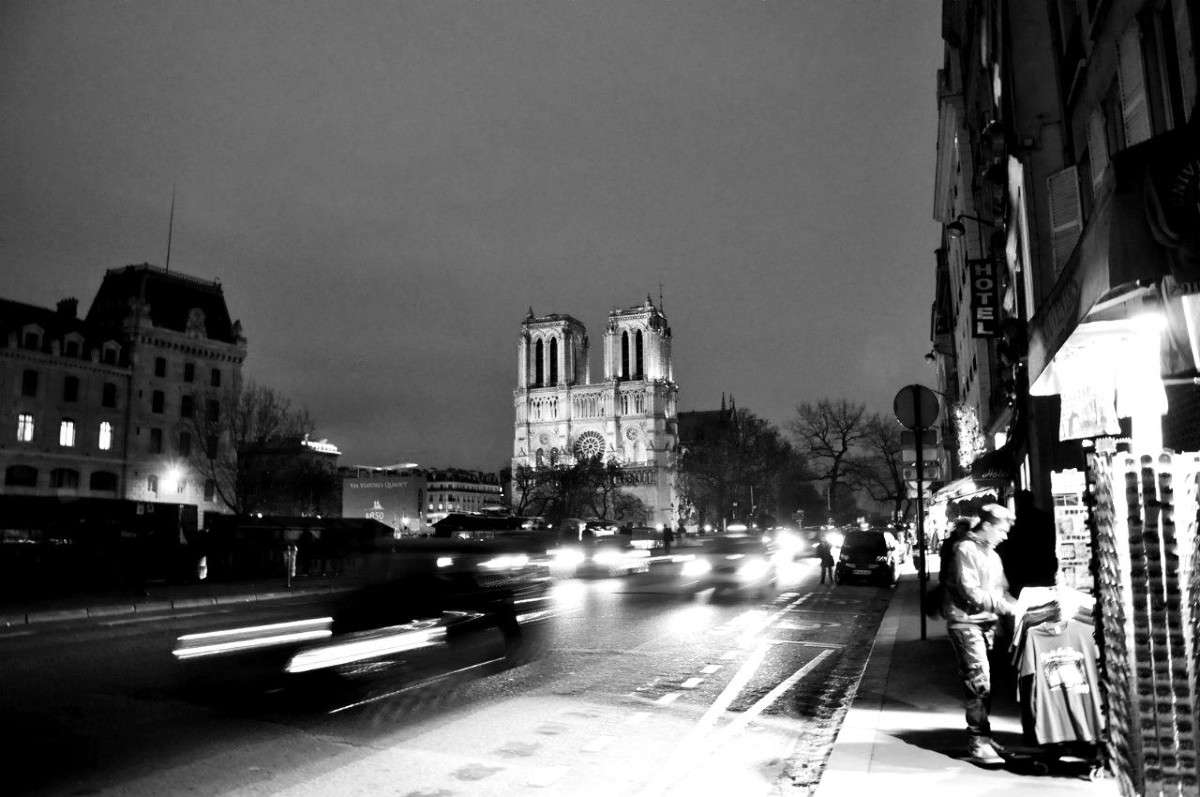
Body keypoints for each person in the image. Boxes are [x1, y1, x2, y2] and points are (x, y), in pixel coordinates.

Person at [942, 503, 1018, 765]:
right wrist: (1003, 605)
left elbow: (1001, 588)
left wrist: (1015, 603)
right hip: (966, 622)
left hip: (986, 622)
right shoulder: (965, 549)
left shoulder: (992, 555)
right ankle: (977, 740)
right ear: (986, 525)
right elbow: (969, 590)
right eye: (1002, 530)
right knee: (978, 680)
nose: (1005, 536)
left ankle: (984, 735)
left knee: (986, 681)